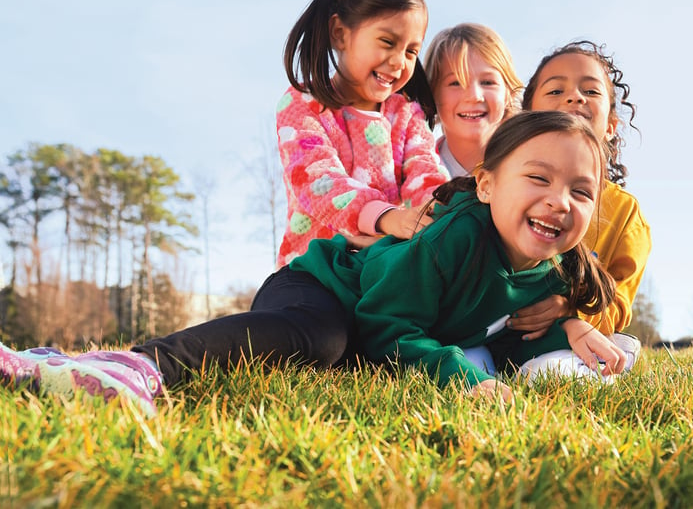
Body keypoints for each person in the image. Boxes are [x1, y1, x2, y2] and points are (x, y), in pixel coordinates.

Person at [0, 111, 627, 412]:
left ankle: (57, 359)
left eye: (580, 190)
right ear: (487, 184)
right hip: (320, 287)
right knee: (321, 340)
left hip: (366, 322)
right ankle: (140, 366)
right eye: (537, 177)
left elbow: (504, 334)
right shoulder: (454, 238)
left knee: (337, 353)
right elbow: (385, 331)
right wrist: (470, 381)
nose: (558, 201)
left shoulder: (550, 275)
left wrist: (566, 344)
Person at [276, 0, 448, 267]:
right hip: (314, 270)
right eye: (387, 42)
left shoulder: (406, 114)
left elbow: (425, 172)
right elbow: (319, 182)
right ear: (340, 34)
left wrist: (445, 208)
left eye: (411, 51)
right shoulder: (303, 105)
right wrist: (385, 217)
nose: (398, 62)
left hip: (381, 267)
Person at [506, 40, 651, 370]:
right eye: (556, 91)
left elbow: (618, 302)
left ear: (612, 126)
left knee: (559, 369)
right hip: (495, 325)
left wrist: (568, 308)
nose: (574, 97)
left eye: (591, 91)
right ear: (526, 117)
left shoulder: (625, 215)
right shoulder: (500, 184)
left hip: (570, 337)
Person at [422, 23, 522, 176]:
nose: (474, 96)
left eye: (487, 82)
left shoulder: (532, 167)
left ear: (508, 92)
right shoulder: (413, 176)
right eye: (456, 83)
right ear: (432, 94)